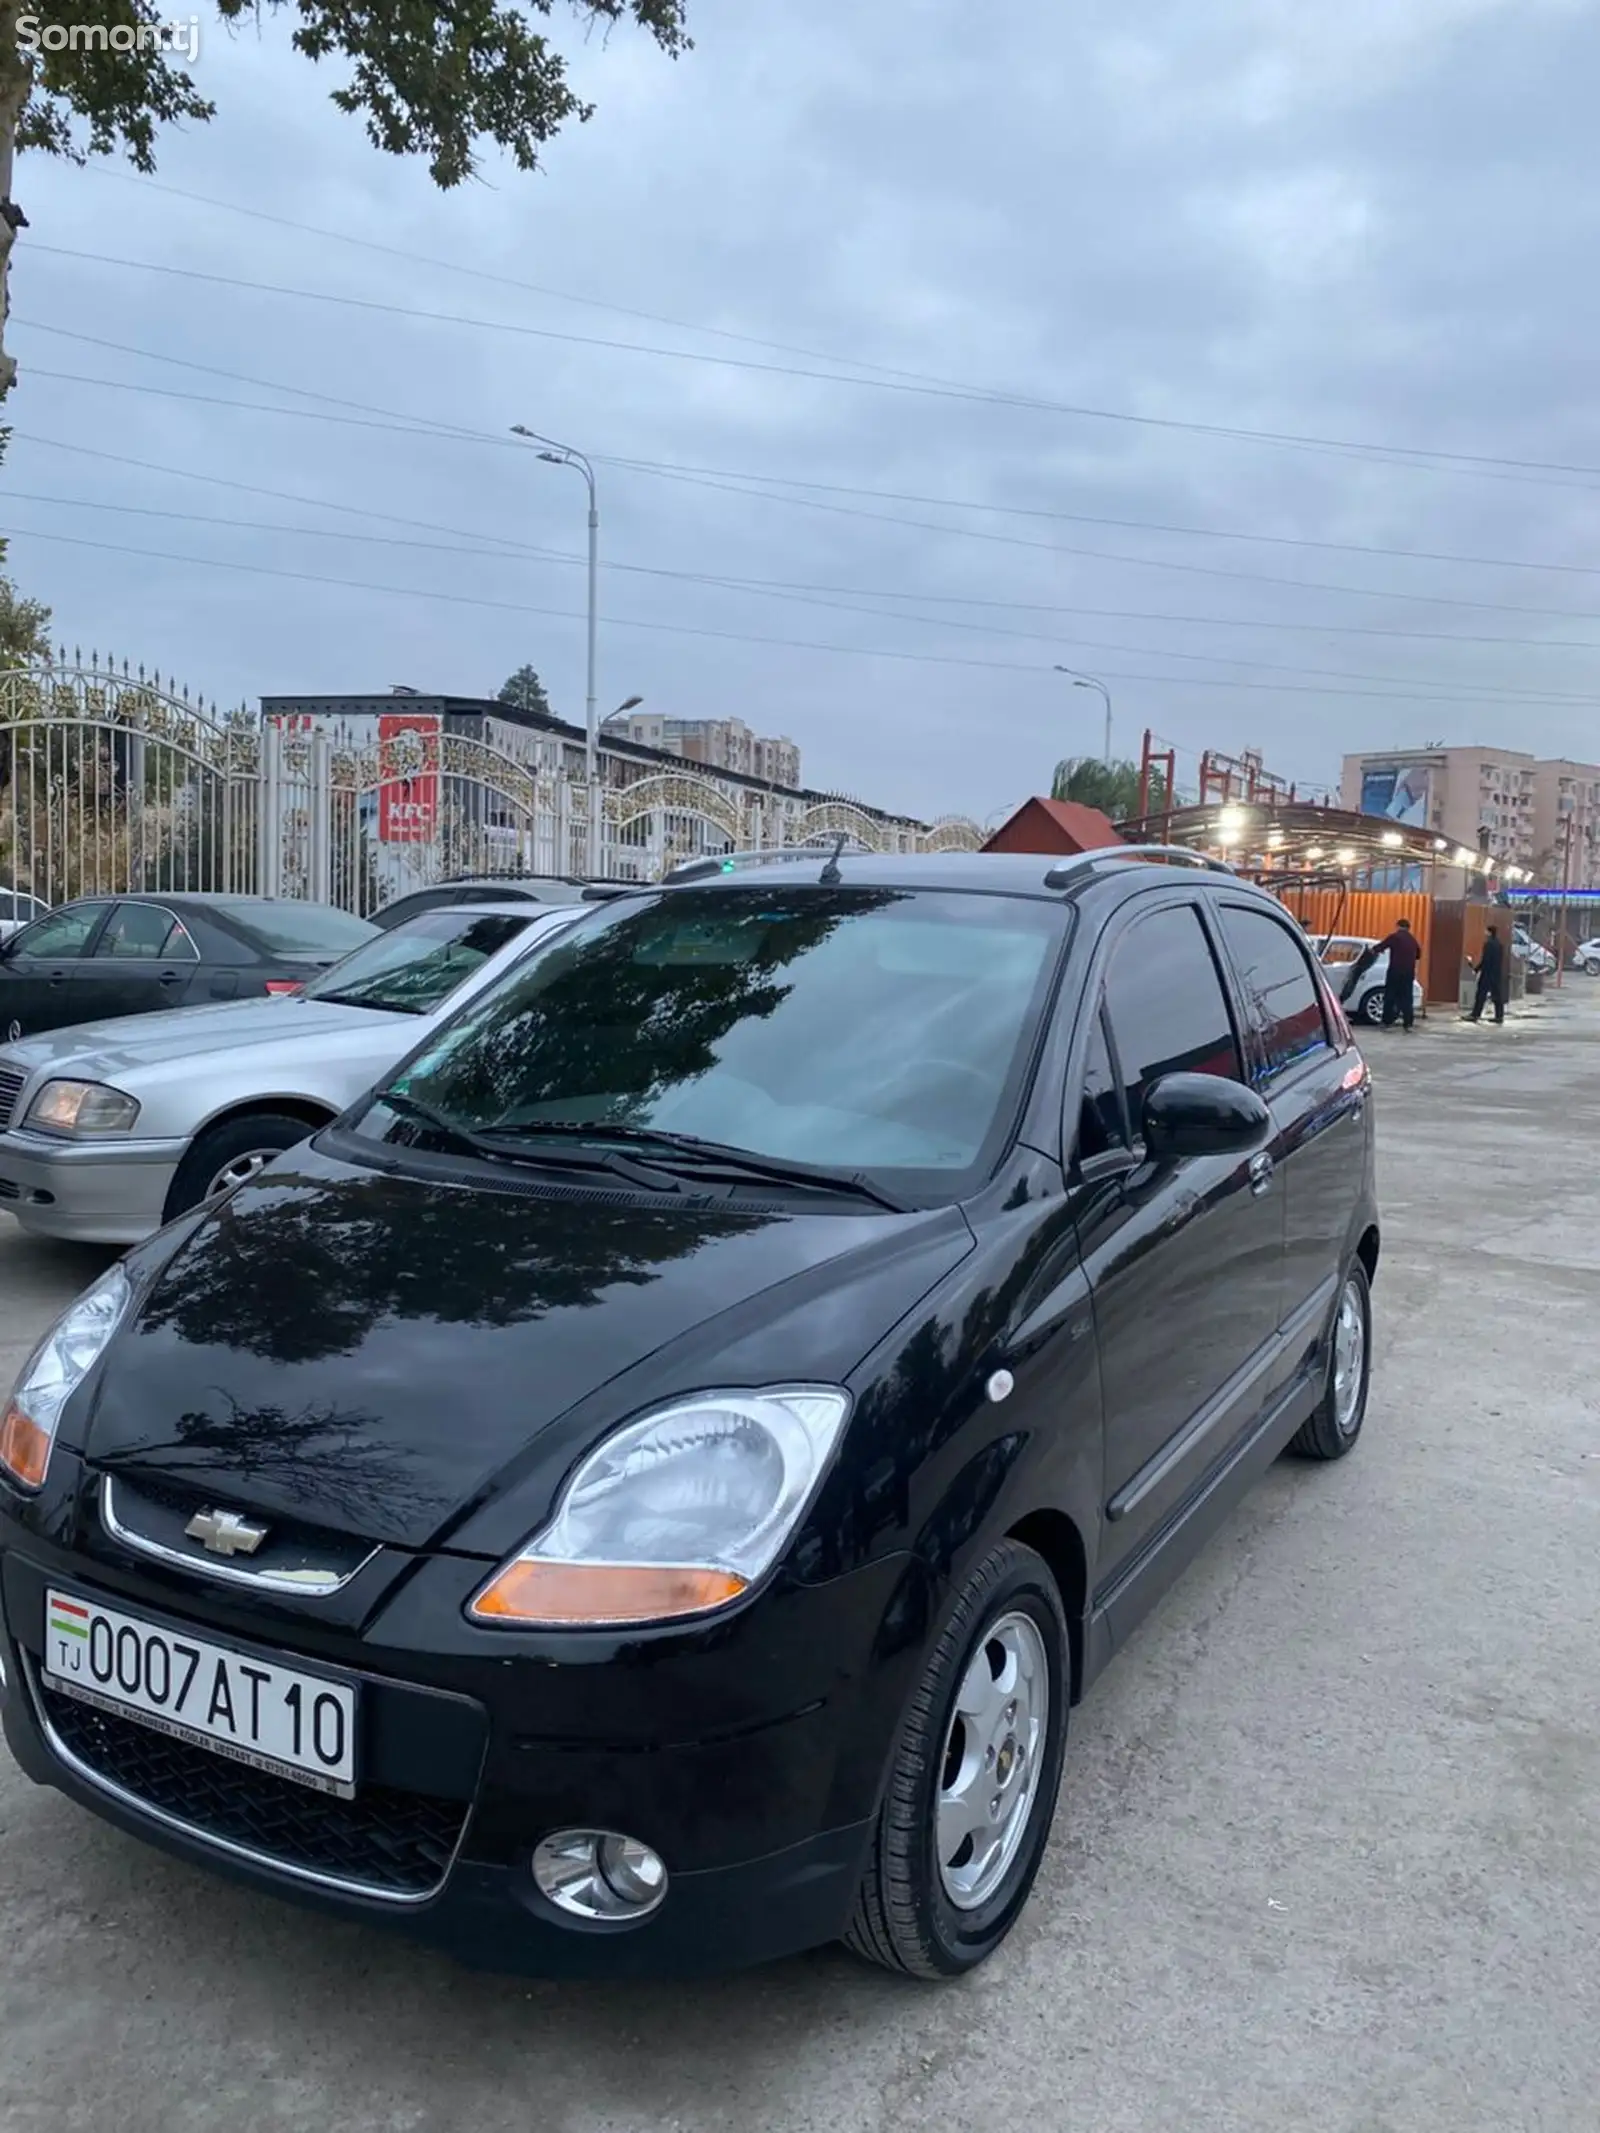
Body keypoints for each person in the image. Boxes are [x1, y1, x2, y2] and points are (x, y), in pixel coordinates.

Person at [1376, 917, 1422, 1030]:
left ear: (1398, 926)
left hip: (1395, 971)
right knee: (1407, 998)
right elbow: (1418, 955)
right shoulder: (1412, 939)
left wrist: (1373, 950)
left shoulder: (1395, 937)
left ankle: (1387, 1022)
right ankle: (1408, 1024)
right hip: (1408, 973)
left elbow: (1382, 946)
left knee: (1390, 996)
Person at [1469, 924, 1507, 1026]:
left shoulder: (1488, 944)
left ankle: (1475, 1014)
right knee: (1497, 996)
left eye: (1486, 931)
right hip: (1497, 973)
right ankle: (1499, 1016)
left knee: (1481, 994)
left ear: (1489, 932)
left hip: (1487, 973)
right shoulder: (1499, 945)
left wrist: (1477, 969)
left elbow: (1485, 960)